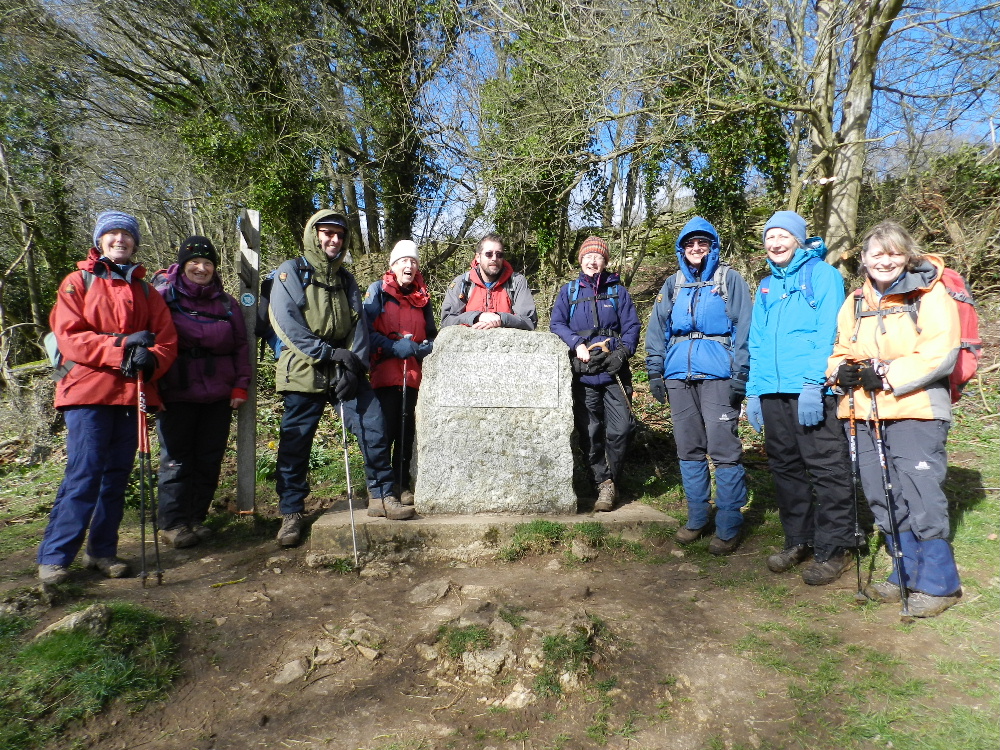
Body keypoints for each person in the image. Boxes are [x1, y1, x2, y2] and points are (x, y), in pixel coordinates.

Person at [828, 221, 961, 617]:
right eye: (877, 254)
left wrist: (887, 375)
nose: (885, 261)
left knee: (920, 491)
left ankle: (939, 584)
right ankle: (903, 571)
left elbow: (940, 352)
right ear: (864, 258)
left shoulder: (930, 294)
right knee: (880, 491)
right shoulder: (856, 301)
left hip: (916, 409)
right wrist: (839, 372)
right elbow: (841, 348)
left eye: (893, 253)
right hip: (865, 412)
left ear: (907, 255)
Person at [37, 211, 178, 583]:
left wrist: (153, 359)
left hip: (131, 395)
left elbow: (166, 339)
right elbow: (69, 337)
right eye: (112, 233)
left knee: (116, 477)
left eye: (127, 235)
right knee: (84, 473)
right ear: (100, 240)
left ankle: (102, 551)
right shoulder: (77, 282)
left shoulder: (146, 291)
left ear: (135, 243)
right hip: (87, 392)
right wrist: (122, 346)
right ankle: (55, 556)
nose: (120, 239)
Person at [269, 209, 414, 546]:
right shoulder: (291, 272)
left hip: (343, 366)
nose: (334, 240)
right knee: (296, 442)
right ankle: (291, 512)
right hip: (304, 367)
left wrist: (353, 365)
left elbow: (358, 325)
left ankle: (381, 495)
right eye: (327, 233)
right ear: (314, 234)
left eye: (340, 235)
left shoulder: (346, 280)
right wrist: (328, 354)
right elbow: (287, 324)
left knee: (373, 423)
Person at [746, 210, 857, 584]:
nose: (776, 243)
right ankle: (799, 540)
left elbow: (829, 331)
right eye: (770, 237)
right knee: (786, 469)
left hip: (810, 391)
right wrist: (754, 392)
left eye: (783, 236)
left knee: (827, 468)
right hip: (772, 392)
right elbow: (757, 341)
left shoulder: (823, 275)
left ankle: (835, 548)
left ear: (799, 240)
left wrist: (813, 384)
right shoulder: (765, 286)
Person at [645, 218, 752, 554]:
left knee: (723, 448)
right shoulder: (673, 284)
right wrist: (655, 369)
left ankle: (729, 523)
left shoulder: (729, 279)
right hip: (678, 374)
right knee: (688, 447)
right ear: (682, 249)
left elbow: (744, 327)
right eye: (690, 244)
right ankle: (697, 516)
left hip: (719, 374)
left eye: (702, 243)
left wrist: (741, 372)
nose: (696, 249)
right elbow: (658, 327)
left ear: (712, 247)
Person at [152, 236, 251, 548]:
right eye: (194, 262)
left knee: (209, 459)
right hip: (176, 392)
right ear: (182, 265)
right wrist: (152, 388)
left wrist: (240, 385)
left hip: (218, 394)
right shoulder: (163, 298)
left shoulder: (227, 304)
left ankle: (196, 517)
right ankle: (173, 523)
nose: (201, 268)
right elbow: (151, 344)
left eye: (207, 263)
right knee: (176, 460)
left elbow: (241, 347)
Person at [551, 236, 640, 512]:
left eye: (598, 257)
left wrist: (621, 354)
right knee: (590, 430)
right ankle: (603, 482)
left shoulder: (618, 292)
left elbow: (632, 327)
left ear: (605, 261)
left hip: (614, 372)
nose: (592, 261)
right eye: (588, 256)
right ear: (581, 260)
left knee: (622, 428)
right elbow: (557, 323)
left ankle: (611, 478)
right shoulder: (569, 292)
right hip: (584, 372)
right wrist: (577, 344)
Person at [363, 240, 436, 504]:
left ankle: (401, 484)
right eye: (404, 260)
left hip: (413, 377)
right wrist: (392, 346)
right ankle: (379, 490)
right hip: (384, 375)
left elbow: (432, 335)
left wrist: (424, 348)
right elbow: (366, 332)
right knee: (383, 433)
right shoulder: (378, 291)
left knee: (407, 434)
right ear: (393, 265)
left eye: (414, 261)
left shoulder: (423, 298)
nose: (409, 265)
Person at [440, 233, 538, 330]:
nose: (494, 259)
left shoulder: (516, 282)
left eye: (499, 255)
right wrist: (476, 317)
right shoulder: (462, 283)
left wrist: (501, 318)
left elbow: (529, 321)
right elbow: (447, 321)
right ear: (478, 257)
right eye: (489, 254)